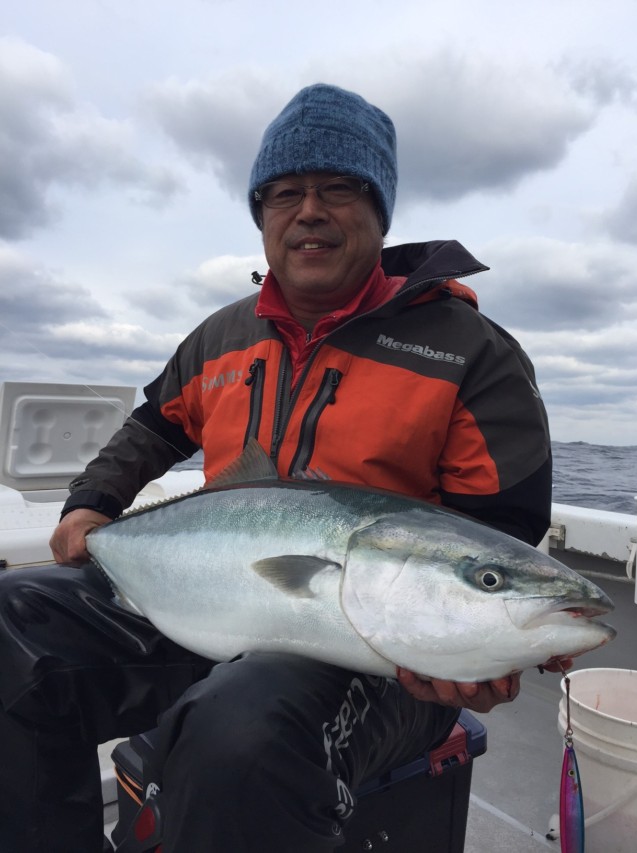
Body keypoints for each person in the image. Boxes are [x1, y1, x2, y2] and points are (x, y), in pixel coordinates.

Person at [0, 83, 560, 853]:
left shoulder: (470, 352)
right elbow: (153, 425)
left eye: (339, 189)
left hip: (383, 655)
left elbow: (497, 541)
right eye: (285, 193)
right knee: (11, 626)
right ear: (262, 215)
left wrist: (473, 647)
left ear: (380, 210)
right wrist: (91, 502)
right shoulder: (222, 335)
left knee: (241, 735)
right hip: (202, 603)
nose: (310, 211)